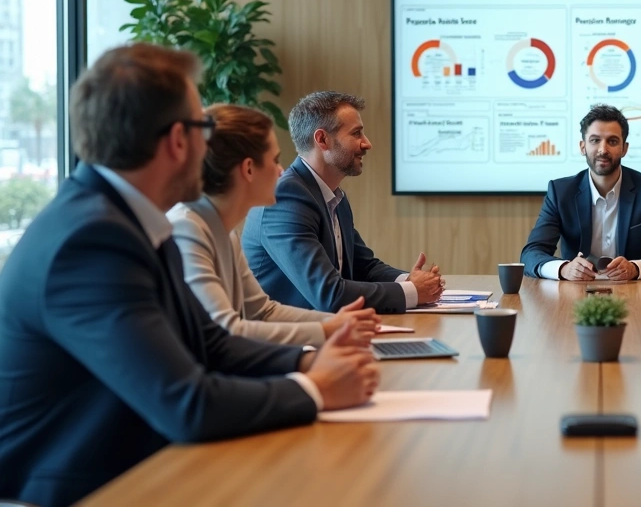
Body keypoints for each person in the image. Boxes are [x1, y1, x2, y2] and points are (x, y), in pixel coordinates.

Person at [0, 45, 378, 507]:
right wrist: (314, 388)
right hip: (82, 489)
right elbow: (186, 404)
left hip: (140, 467)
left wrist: (306, 362)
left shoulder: (130, 219)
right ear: (179, 141)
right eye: (204, 127)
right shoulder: (92, 241)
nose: (210, 146)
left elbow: (211, 343)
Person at [170, 104, 381, 347]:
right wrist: (325, 332)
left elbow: (263, 312)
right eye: (275, 160)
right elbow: (226, 329)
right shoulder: (187, 228)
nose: (282, 171)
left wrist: (339, 324)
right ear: (249, 168)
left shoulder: (223, 232)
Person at [243, 91, 443, 313]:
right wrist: (413, 292)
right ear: (322, 140)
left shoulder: (333, 196)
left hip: (325, 332)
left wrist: (409, 280)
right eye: (356, 134)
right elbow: (328, 294)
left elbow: (363, 267)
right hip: (286, 341)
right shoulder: (286, 197)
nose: (367, 144)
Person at [521, 104, 641, 280]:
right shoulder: (560, 192)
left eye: (612, 141)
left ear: (624, 148)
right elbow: (531, 254)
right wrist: (564, 269)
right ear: (583, 147)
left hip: (632, 290)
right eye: (595, 140)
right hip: (575, 292)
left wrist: (636, 268)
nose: (603, 150)